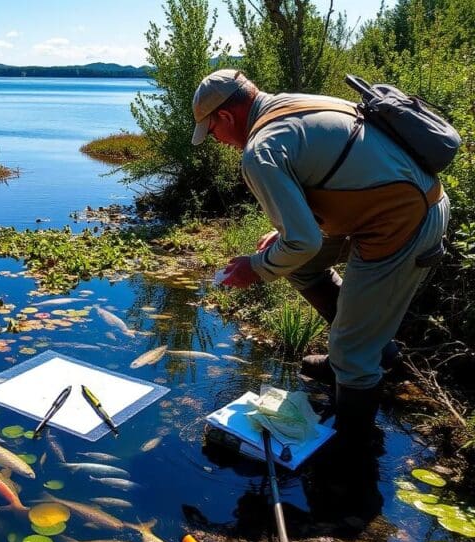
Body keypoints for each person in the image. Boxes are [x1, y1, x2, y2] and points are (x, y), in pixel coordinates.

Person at [191, 69, 449, 435]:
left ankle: (352, 448)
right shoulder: (292, 104)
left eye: (212, 131)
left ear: (226, 116)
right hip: (403, 203)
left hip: (403, 223)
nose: (216, 140)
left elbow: (303, 242)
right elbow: (337, 176)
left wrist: (256, 267)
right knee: (301, 266)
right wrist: (283, 236)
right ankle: (377, 350)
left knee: (351, 355)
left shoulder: (260, 151)